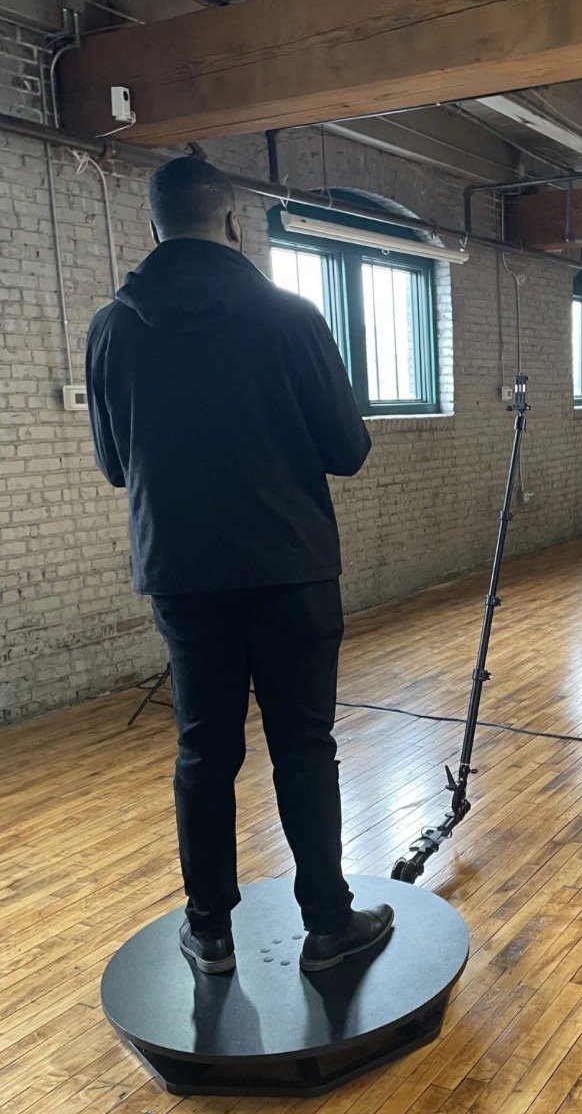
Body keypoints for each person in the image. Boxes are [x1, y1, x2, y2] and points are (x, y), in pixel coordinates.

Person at [86, 156, 393, 974]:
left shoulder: (112, 328)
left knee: (202, 751)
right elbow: (347, 450)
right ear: (231, 225)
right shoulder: (290, 317)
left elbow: (117, 466)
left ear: (154, 226)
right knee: (302, 745)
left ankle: (209, 932)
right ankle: (328, 926)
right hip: (289, 567)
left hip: (182, 573)